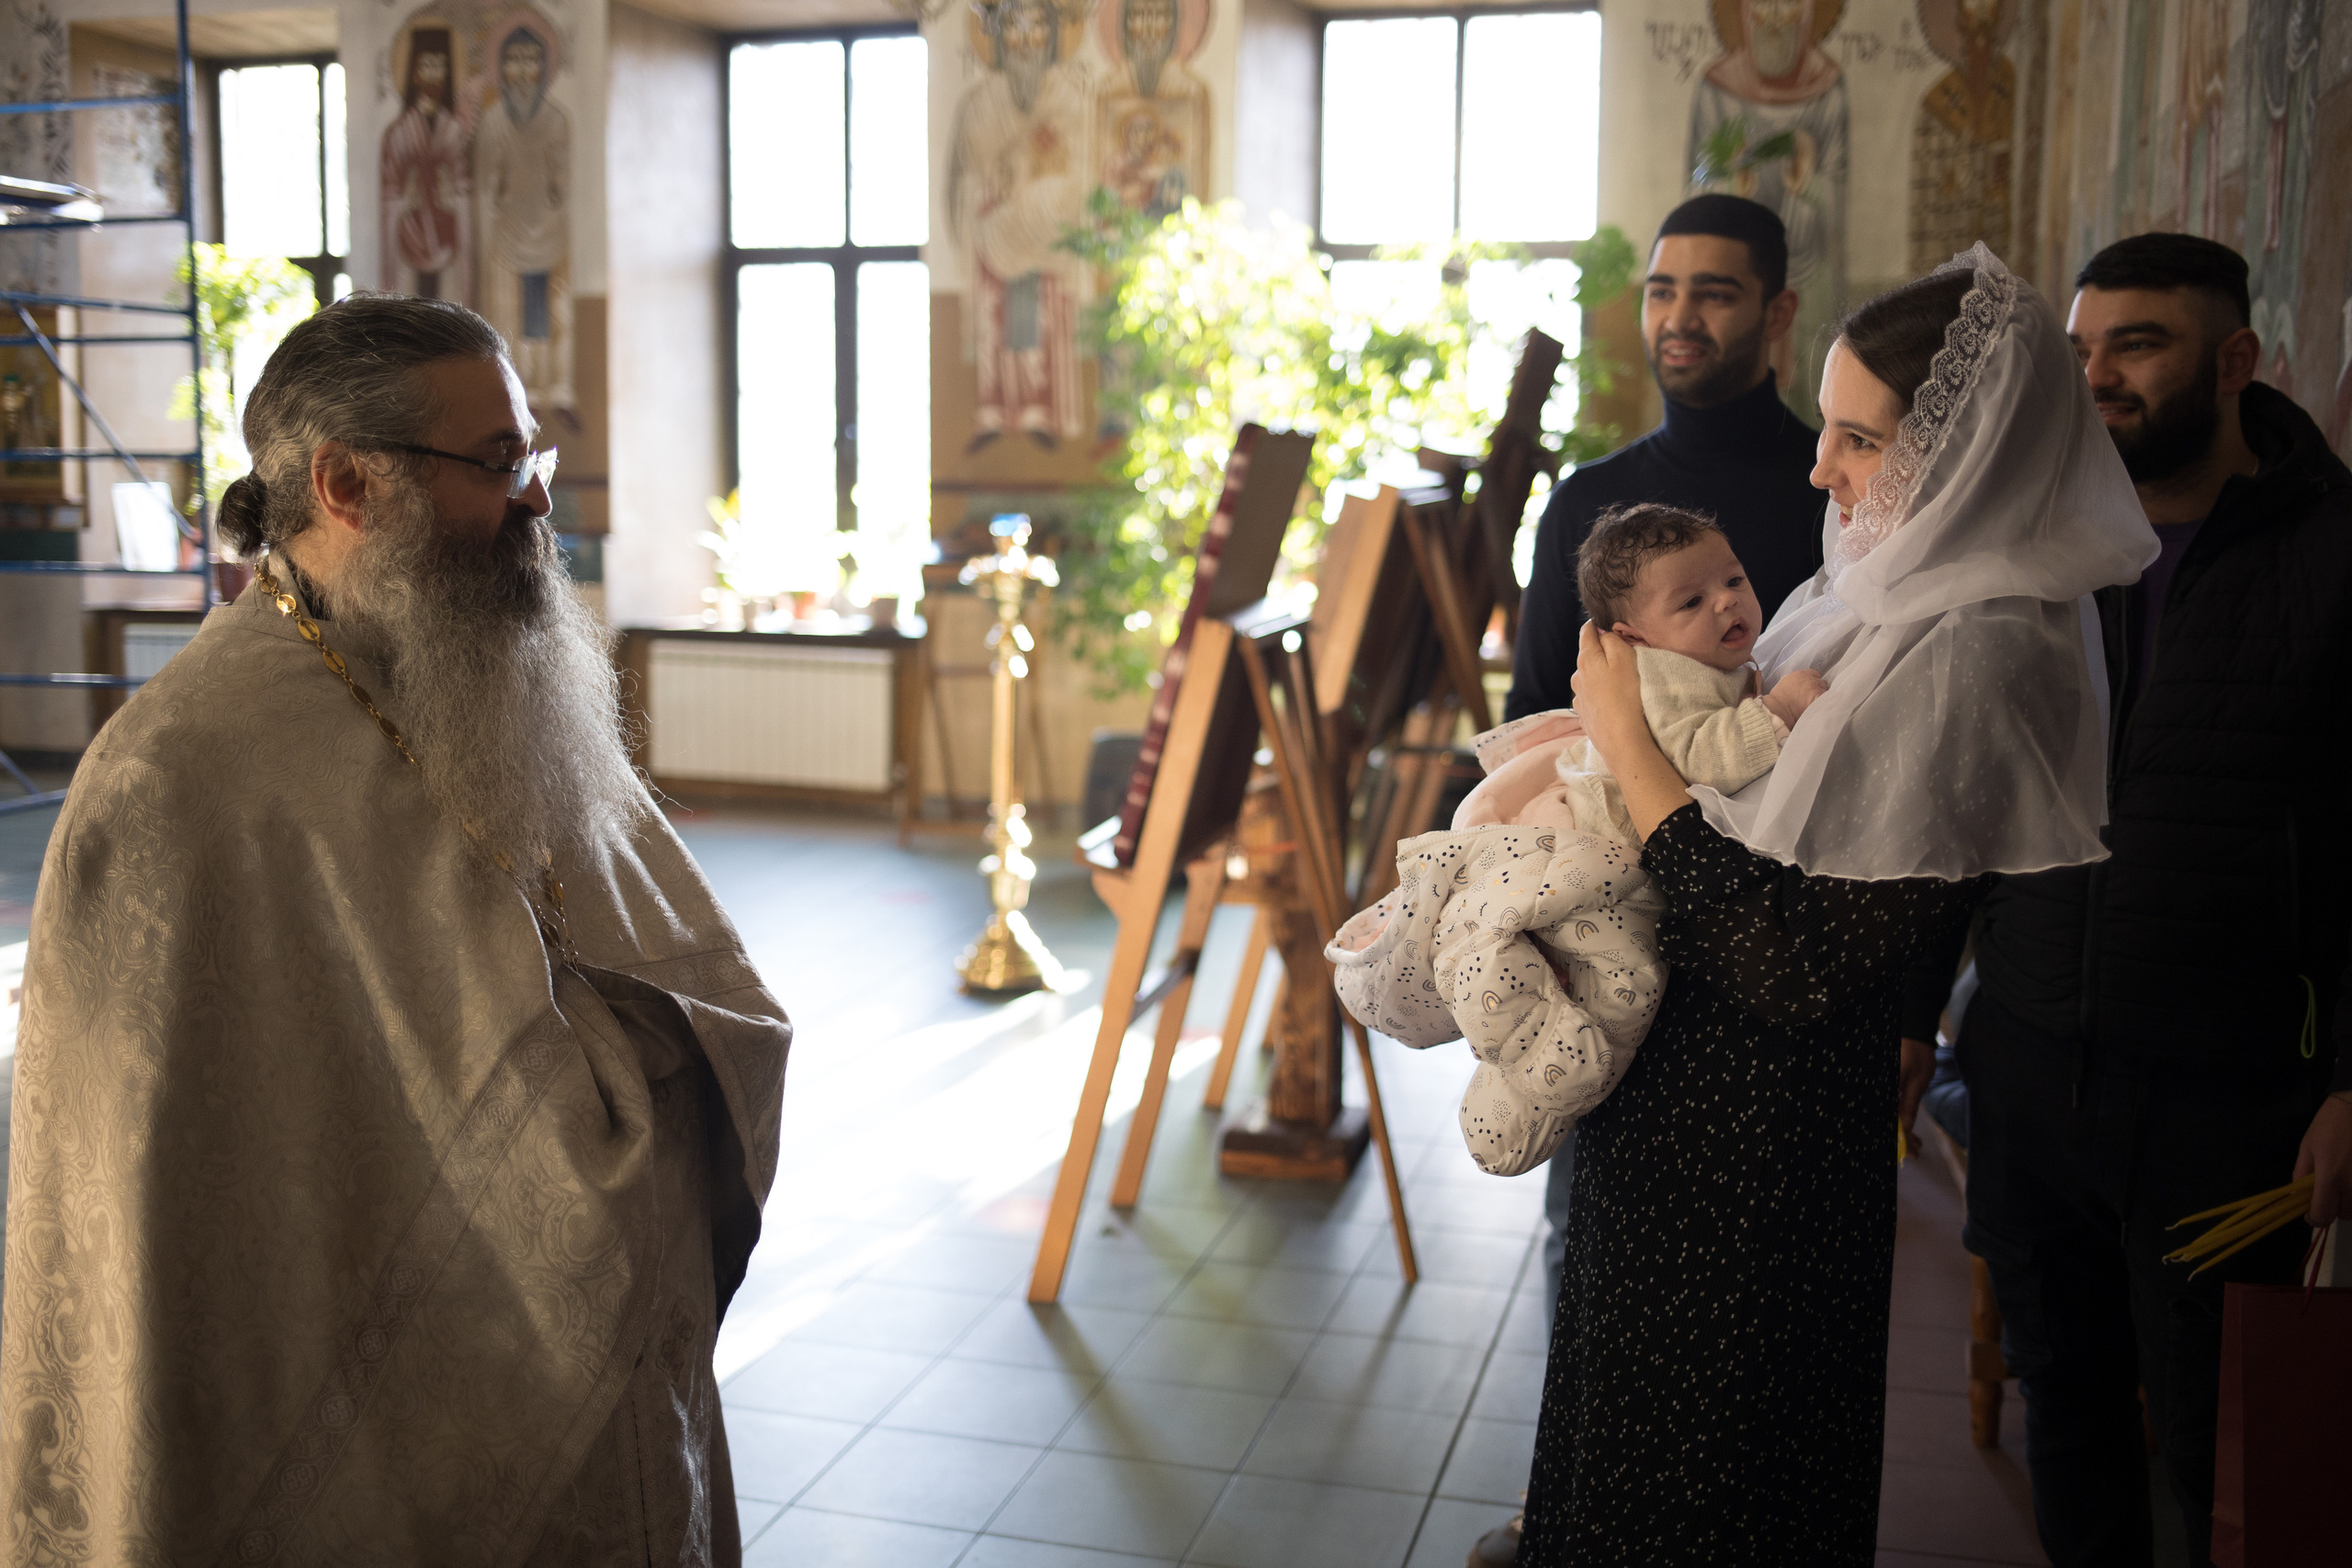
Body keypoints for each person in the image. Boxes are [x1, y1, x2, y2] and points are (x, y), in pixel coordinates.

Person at [0, 295, 791, 1563]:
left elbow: (691, 971)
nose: (535, 499)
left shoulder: (502, 676)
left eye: (530, 455)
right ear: (348, 481)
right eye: (495, 463)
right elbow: (173, 1224)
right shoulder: (177, 786)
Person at [1515, 244, 2156, 1565]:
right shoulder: (1881, 593)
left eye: (1859, 437)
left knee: (1708, 1491)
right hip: (1681, 1119)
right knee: (1623, 1458)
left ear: (1964, 451)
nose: (1822, 467)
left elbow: (1793, 960)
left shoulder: (1980, 647)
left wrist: (1631, 757)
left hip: (1755, 1163)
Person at [1958, 231, 2352, 1568]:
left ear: (2236, 359)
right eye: (2083, 351)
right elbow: (1962, 790)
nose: (2100, 378)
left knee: (2211, 1441)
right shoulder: (2047, 547)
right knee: (2067, 1413)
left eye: (2138, 344)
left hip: (2224, 1096)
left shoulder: (2333, 555)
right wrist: (1921, 1011)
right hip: (2027, 1066)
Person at [1477, 189, 1827, 1568]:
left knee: (1752, 1291)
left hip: (1770, 949)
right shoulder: (1588, 498)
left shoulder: (1829, 498)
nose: (1680, 315)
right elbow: (1535, 711)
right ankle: (1576, 1506)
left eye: (1718, 291)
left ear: (1778, 312)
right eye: (1663, 288)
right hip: (1621, 934)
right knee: (1592, 1255)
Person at [1331, 506, 1828, 1180]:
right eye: (1691, 600)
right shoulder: (1667, 676)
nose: (1726, 603)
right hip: (1585, 846)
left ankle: (1521, 1084)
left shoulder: (1714, 663)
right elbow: (1697, 754)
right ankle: (1524, 1086)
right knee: (1607, 988)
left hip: (1595, 853)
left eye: (1733, 580)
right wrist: (1780, 715)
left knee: (1579, 989)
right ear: (1633, 636)